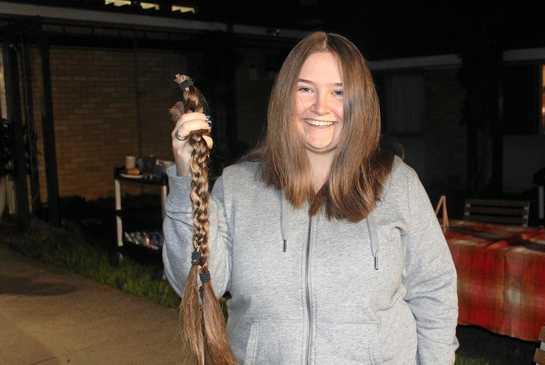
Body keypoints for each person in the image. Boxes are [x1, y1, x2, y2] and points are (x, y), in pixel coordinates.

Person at [163, 31, 458, 365]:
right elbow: (196, 286)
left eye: (338, 91)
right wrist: (187, 176)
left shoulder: (397, 184)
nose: (321, 106)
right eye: (305, 89)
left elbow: (435, 291)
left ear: (358, 102)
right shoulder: (237, 187)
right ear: (285, 97)